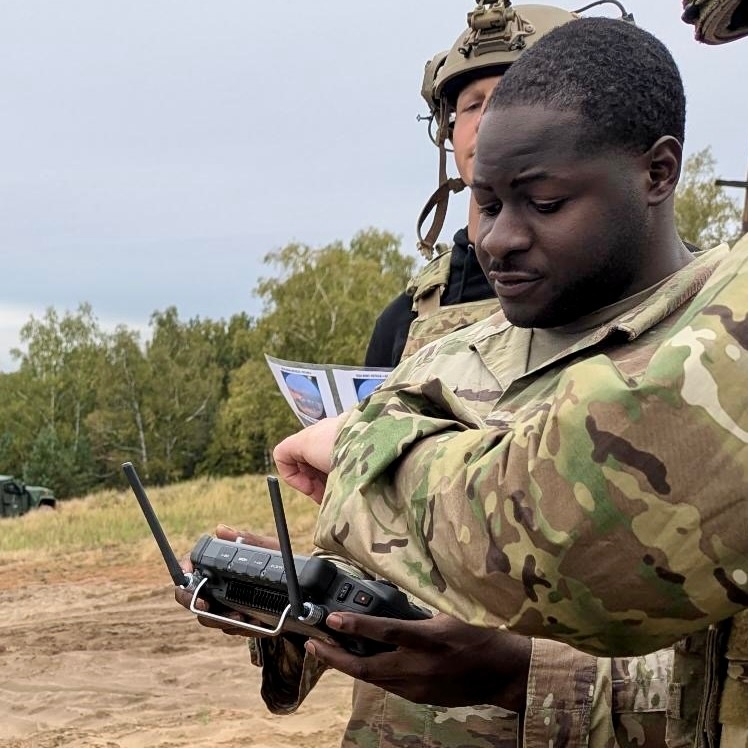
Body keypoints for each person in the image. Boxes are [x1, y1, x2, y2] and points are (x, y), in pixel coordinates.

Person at [273, 16, 748, 745]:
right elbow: (369, 552)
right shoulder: (448, 348)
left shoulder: (708, 340)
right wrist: (294, 602)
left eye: (544, 203)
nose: (497, 237)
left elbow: (608, 570)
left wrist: (519, 673)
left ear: (657, 172)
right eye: (486, 204)